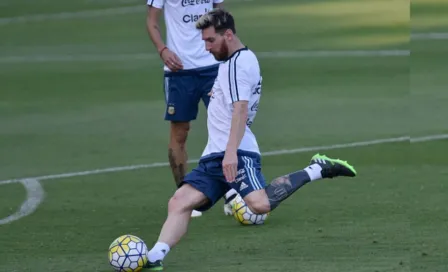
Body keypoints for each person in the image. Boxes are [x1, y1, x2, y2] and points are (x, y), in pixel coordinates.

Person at [144, 9, 357, 271]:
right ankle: (154, 257)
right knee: (178, 202)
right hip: (215, 155)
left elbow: (240, 109)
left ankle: (317, 169)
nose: (206, 47)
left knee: (259, 204)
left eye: (210, 40)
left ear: (229, 35)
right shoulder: (232, 63)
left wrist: (231, 152)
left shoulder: (238, 64)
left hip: (237, 153)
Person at [146, 0, 238, 218]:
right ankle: (184, 194)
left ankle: (233, 192)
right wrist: (163, 50)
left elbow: (223, 16)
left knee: (226, 127)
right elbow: (151, 22)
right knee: (180, 132)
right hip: (179, 71)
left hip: (213, 67)